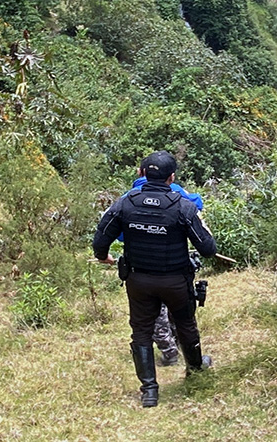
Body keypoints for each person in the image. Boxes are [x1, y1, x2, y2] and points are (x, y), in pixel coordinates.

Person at [93, 150, 217, 408]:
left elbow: (101, 238)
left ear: (140, 174)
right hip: (175, 281)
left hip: (139, 281)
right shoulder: (184, 206)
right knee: (185, 324)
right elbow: (208, 248)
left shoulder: (125, 203)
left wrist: (104, 257)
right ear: (171, 178)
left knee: (141, 331)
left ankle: (149, 390)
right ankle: (194, 370)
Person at [122, 161, 205, 368]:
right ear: (172, 176)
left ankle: (165, 358)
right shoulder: (177, 194)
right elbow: (197, 204)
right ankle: (189, 361)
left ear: (140, 172)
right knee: (182, 315)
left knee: (149, 318)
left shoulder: (128, 198)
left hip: (140, 269)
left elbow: (115, 233)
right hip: (174, 270)